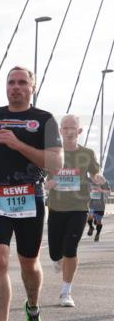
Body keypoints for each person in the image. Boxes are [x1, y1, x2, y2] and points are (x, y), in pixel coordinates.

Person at [0, 66, 62, 321]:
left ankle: (33, 307)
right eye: (11, 82)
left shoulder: (44, 119)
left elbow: (55, 163)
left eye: (22, 82)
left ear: (32, 87)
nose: (16, 87)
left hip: (29, 197)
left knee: (29, 264)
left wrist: (18, 144)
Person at [44, 115, 107, 307]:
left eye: (73, 128)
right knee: (56, 253)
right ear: (60, 131)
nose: (69, 131)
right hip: (56, 207)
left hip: (79, 207)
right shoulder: (51, 153)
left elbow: (94, 172)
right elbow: (41, 179)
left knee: (70, 248)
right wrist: (48, 184)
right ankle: (58, 259)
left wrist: (97, 178)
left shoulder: (87, 153)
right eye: (65, 127)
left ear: (79, 131)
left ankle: (66, 292)